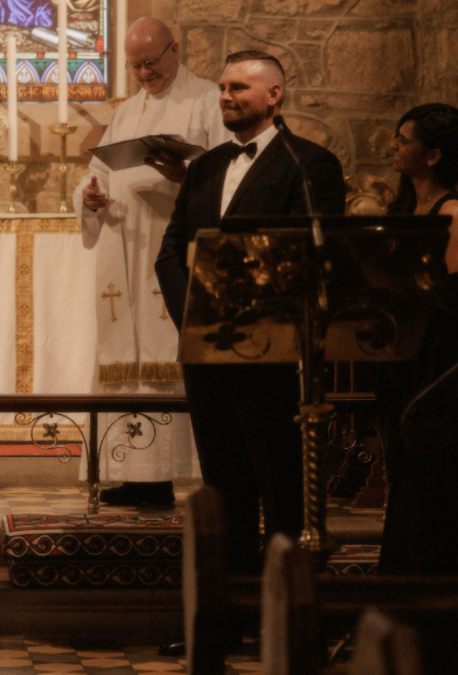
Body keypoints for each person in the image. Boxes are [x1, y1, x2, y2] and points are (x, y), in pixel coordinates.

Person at [154, 50, 347, 576]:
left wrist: (242, 317)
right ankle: (227, 611)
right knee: (222, 485)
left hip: (272, 355)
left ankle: (286, 614)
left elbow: (314, 253)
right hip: (206, 350)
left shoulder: (310, 164)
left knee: (279, 483)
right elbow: (171, 251)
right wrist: (193, 318)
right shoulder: (206, 168)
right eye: (222, 88)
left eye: (238, 88)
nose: (225, 97)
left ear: (273, 96)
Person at [73, 17, 226, 506]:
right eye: (135, 66)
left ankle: (181, 473)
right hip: (125, 245)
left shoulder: (206, 100)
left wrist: (187, 176)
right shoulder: (128, 111)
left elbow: (228, 174)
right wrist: (90, 195)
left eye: (150, 63)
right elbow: (97, 171)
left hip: (172, 247)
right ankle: (138, 475)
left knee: (169, 356)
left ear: (174, 50)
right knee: (130, 359)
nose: (143, 73)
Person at [377, 102, 458, 575]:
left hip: (435, 359)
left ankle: (436, 594)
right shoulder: (403, 208)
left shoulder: (455, 212)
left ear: (434, 154)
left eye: (404, 140)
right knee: (402, 476)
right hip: (400, 355)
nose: (393, 147)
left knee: (432, 478)